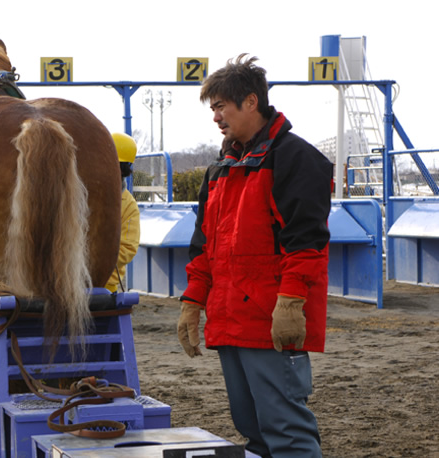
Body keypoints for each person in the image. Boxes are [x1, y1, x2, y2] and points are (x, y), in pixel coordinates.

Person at [176, 54, 333, 458]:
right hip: (231, 320)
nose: (216, 118)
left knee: (286, 432)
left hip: (270, 321)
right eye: (212, 110)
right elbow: (204, 245)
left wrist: (292, 300)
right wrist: (193, 301)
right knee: (254, 431)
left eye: (221, 107)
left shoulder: (296, 159)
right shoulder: (221, 169)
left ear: (250, 102)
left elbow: (307, 241)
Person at [105, 132, 141, 293]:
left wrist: (86, 261)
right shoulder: (75, 194)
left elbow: (127, 248)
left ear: (123, 171)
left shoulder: (127, 205)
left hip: (104, 286)